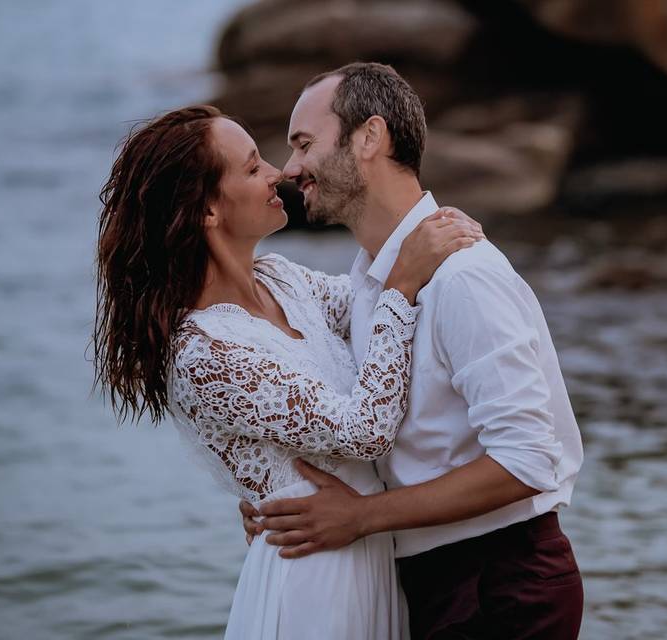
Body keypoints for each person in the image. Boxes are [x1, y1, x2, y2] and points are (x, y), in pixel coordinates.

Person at [92, 104, 483, 639]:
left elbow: (365, 306)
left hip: (365, 552)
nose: (279, 173)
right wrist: (402, 285)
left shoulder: (278, 278)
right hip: (316, 577)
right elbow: (363, 431)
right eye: (253, 168)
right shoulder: (204, 353)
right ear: (207, 209)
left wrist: (429, 242)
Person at [241, 62, 586, 639]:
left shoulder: (462, 278)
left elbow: (528, 461)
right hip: (432, 579)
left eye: (304, 144)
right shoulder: (367, 288)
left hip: (498, 580)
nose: (291, 169)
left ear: (370, 137)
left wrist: (359, 519)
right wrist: (278, 491)